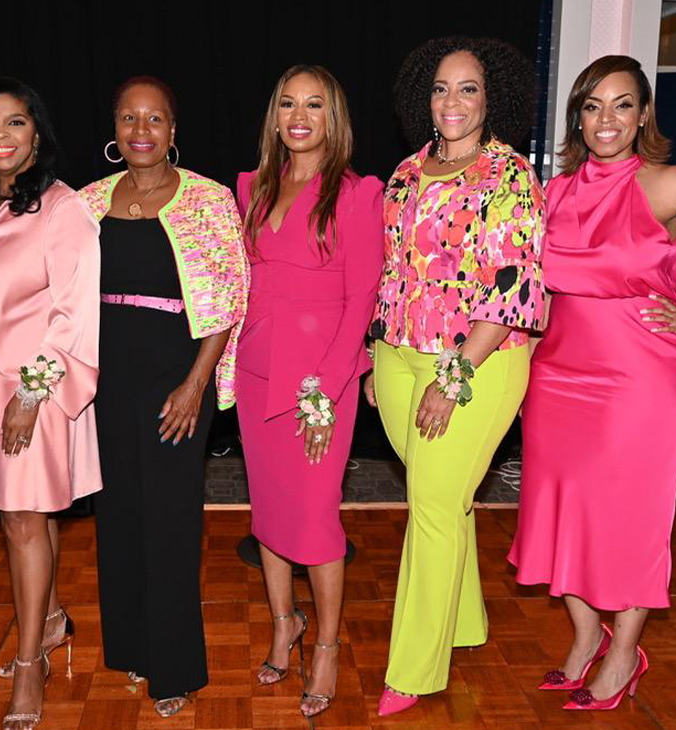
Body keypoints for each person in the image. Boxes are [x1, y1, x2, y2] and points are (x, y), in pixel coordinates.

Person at [508, 55, 676, 711]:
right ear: (578, 115)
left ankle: (625, 652)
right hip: (558, 373)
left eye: (622, 104)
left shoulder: (670, 185)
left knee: (632, 520)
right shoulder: (553, 192)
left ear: (642, 114)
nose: (607, 119)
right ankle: (584, 638)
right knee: (557, 510)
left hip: (643, 377)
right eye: (594, 105)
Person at [366, 37, 547, 717]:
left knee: (433, 507)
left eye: (468, 88)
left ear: (490, 96)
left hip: (477, 360)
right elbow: (395, 273)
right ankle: (463, 622)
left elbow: (511, 291)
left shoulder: (510, 176)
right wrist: (376, 352)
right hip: (398, 355)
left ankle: (412, 670)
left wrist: (454, 376)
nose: (453, 102)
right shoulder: (407, 172)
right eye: (441, 88)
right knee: (441, 494)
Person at [77, 76, 249, 719]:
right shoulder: (87, 202)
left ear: (173, 131)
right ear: (115, 130)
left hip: (178, 378)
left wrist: (196, 383)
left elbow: (231, 296)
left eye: (154, 119)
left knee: (172, 524)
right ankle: (131, 649)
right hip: (107, 381)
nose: (141, 130)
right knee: (117, 517)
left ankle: (175, 667)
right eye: (129, 118)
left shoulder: (208, 199)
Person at [0, 77, 101, 730]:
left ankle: (31, 664)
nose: (2, 135)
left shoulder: (62, 208)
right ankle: (50, 621)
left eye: (16, 122)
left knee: (21, 522)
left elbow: (74, 310)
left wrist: (31, 394)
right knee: (27, 522)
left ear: (38, 135)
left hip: (32, 392)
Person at [234, 64, 383, 719]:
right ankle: (282, 623)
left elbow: (360, 301)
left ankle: (324, 644)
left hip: (322, 376)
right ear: (275, 115)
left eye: (314, 104)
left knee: (317, 521)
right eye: (288, 103)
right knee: (267, 514)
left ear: (333, 118)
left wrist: (324, 388)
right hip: (255, 371)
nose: (299, 115)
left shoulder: (355, 194)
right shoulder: (255, 187)